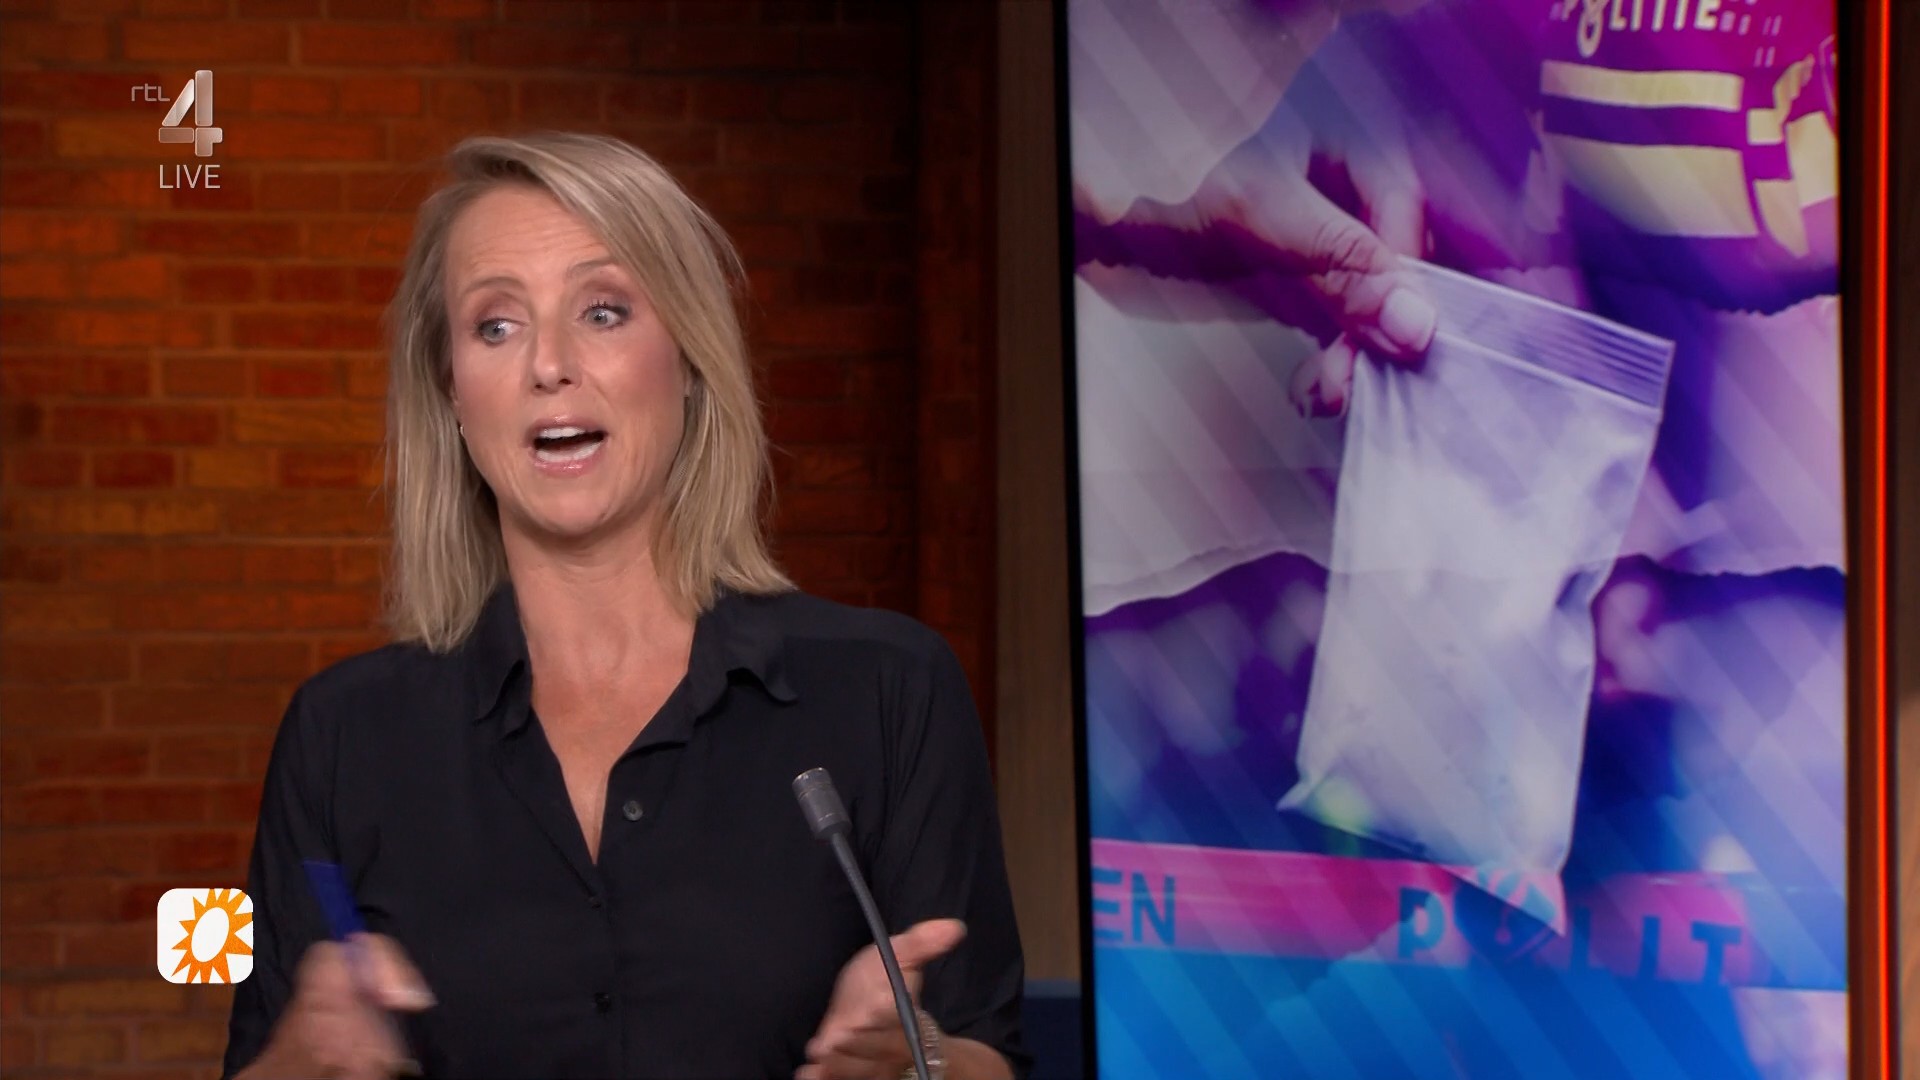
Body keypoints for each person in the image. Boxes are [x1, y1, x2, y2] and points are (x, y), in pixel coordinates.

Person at [222, 132, 1027, 1080]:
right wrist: (300, 1061)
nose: (549, 365)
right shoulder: (341, 735)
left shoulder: (890, 690)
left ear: (688, 357)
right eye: (496, 326)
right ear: (452, 394)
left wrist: (919, 1059)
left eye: (603, 312)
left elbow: (989, 1051)